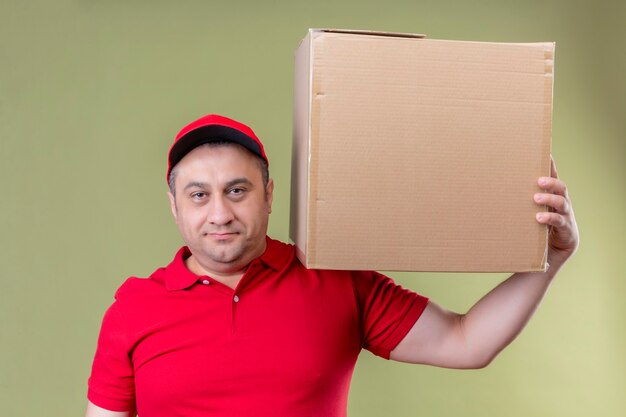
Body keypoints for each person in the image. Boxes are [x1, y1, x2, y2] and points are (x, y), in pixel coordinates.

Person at [85, 114, 579, 417]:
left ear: (269, 195)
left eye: (237, 190)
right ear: (174, 206)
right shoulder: (134, 307)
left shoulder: (334, 278)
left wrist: (552, 257)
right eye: (199, 195)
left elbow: (467, 340)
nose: (220, 213)